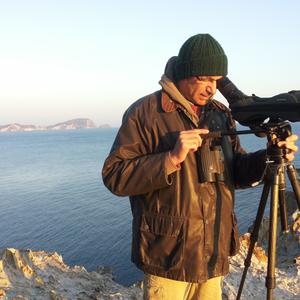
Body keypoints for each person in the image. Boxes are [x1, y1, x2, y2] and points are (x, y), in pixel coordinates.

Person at [102, 34, 298, 300]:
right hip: (168, 259)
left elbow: (236, 171)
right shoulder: (145, 113)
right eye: (203, 79)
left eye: (216, 81)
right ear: (185, 73)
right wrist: (170, 159)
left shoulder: (220, 113)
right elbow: (115, 176)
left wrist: (269, 156)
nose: (211, 88)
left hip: (212, 251)